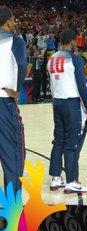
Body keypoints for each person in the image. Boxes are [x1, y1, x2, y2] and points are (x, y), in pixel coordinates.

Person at [48, 29, 87, 193]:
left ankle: (56, 179)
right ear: (73, 42)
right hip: (71, 104)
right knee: (71, 143)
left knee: (58, 141)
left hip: (56, 102)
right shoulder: (76, 59)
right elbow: (81, 86)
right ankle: (72, 180)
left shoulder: (51, 59)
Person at [0, 6, 27, 194]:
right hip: (3, 101)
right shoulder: (15, 40)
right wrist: (17, 90)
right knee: (13, 155)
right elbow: (22, 63)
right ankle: (13, 208)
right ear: (9, 21)